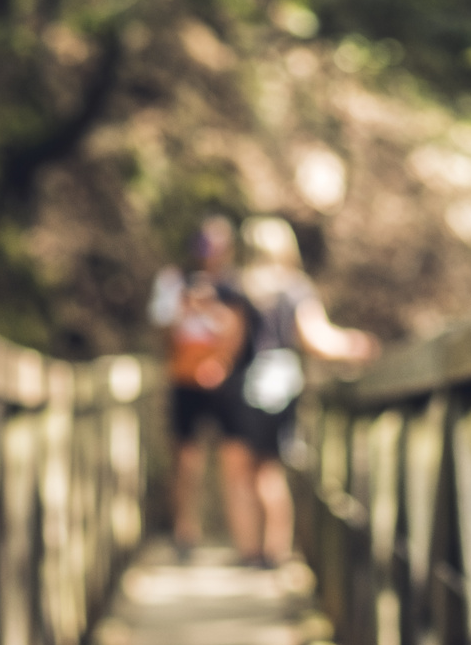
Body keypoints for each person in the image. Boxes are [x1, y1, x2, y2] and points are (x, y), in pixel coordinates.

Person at [236, 216, 378, 565]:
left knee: (249, 469)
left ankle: (251, 549)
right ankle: (276, 550)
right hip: (279, 383)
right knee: (271, 468)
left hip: (245, 384)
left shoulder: (240, 288)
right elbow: (316, 338)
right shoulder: (294, 288)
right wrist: (356, 345)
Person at [150, 217, 263, 561]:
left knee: (235, 460)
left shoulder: (235, 286)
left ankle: (246, 543)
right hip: (184, 380)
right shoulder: (174, 282)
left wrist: (222, 363)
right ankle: (185, 535)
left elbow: (242, 332)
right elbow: (163, 331)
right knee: (186, 460)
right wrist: (184, 309)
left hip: (225, 383)